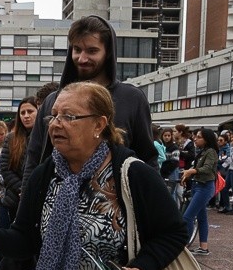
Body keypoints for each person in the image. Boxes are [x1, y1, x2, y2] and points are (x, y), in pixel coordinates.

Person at [0, 81, 187, 270]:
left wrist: (142, 268)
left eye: (69, 116)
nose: (55, 124)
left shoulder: (132, 174)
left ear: (99, 124)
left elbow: (174, 232)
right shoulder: (45, 174)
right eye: (53, 116)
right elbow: (26, 239)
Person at [22, 15, 158, 194]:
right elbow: (34, 160)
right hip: (55, 204)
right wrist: (27, 202)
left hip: (114, 205)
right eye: (77, 49)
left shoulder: (132, 99)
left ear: (108, 52)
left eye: (92, 51)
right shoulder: (52, 102)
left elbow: (147, 160)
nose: (82, 58)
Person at [0, 96, 38, 270]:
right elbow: (5, 169)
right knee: (5, 248)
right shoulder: (12, 138)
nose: (26, 116)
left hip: (33, 202)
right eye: (22, 112)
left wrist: (29, 192)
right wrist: (22, 189)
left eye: (30, 111)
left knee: (28, 253)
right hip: (12, 202)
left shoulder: (44, 138)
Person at [180, 129, 219, 255]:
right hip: (198, 186)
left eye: (199, 137)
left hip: (205, 187)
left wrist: (191, 171)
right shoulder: (203, 151)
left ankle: (184, 246)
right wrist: (187, 174)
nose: (195, 139)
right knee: (202, 218)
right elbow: (198, 167)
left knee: (187, 217)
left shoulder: (211, 152)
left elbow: (207, 168)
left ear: (207, 139)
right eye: (195, 136)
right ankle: (203, 247)